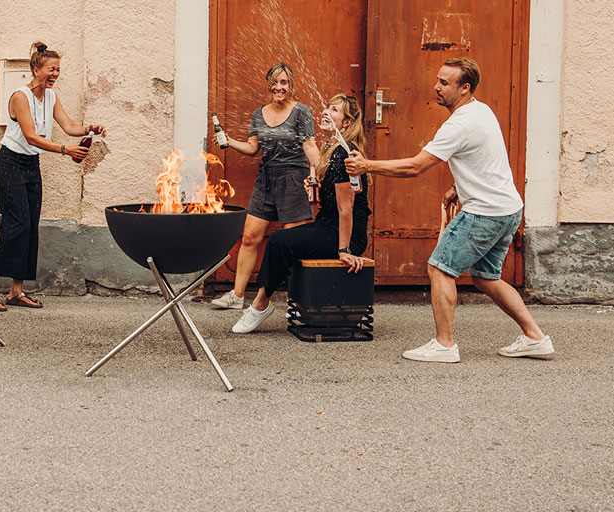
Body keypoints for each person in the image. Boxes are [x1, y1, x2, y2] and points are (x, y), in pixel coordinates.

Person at [345, 57, 554, 363]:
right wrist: (458, 187)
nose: (436, 87)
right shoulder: (481, 111)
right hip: (508, 209)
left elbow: (416, 166)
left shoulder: (459, 124)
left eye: (445, 82)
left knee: (440, 267)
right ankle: (535, 338)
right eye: (438, 80)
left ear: (465, 88)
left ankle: (444, 345)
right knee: (486, 276)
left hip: (484, 212)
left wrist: (367, 165)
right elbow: (483, 157)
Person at [0, 42, 105, 312]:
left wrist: (88, 129)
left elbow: (69, 127)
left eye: (58, 69)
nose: (55, 73)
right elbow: (31, 136)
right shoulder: (20, 96)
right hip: (10, 163)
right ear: (35, 69)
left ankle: (16, 291)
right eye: (51, 69)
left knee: (31, 226)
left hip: (31, 164)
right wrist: (64, 151)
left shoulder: (51, 97)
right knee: (16, 225)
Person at [232, 93, 371, 333]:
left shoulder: (344, 154)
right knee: (284, 240)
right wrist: (316, 188)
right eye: (327, 107)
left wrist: (344, 250)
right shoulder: (334, 150)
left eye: (335, 110)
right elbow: (333, 202)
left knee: (279, 240)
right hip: (328, 227)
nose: (327, 112)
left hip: (344, 236)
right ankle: (278, 302)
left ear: (347, 122)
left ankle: (260, 304)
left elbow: (346, 208)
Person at [210, 63, 321, 311]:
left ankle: (299, 298)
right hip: (266, 180)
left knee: (292, 243)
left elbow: (310, 146)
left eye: (284, 82)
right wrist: (228, 141)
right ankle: (237, 296)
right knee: (250, 237)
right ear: (268, 84)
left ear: (291, 85)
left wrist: (318, 173)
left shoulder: (301, 111)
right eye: (275, 82)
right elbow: (252, 148)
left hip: (294, 179)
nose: (279, 87)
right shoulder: (259, 113)